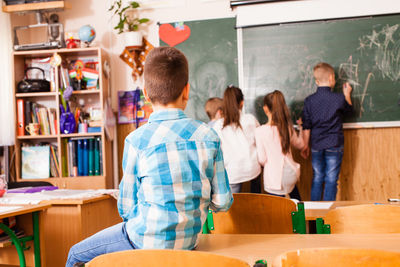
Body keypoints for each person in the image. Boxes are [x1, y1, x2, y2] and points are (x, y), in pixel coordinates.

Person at [66, 47, 233, 267]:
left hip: (142, 243)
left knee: (75, 255)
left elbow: (126, 208)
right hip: (189, 247)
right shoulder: (209, 136)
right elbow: (223, 202)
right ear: (187, 91)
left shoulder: (136, 141)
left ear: (145, 93)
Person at [301, 62, 353, 201]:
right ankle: (326, 214)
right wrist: (347, 94)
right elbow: (349, 111)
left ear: (317, 81)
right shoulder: (338, 98)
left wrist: (305, 145)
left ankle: (314, 214)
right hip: (334, 144)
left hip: (316, 144)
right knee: (331, 179)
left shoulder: (309, 101)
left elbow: (306, 125)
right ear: (331, 78)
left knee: (317, 177)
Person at [255, 90, 304, 199]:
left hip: (274, 178)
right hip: (291, 173)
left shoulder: (260, 131)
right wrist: (301, 128)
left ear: (265, 108)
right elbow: (301, 144)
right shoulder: (287, 127)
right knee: (295, 200)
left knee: (276, 208)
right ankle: (301, 213)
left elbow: (262, 159)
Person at [212, 86, 261, 193]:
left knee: (232, 205)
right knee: (257, 200)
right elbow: (260, 143)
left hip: (233, 172)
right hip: (252, 168)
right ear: (242, 103)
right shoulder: (250, 120)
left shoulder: (218, 125)